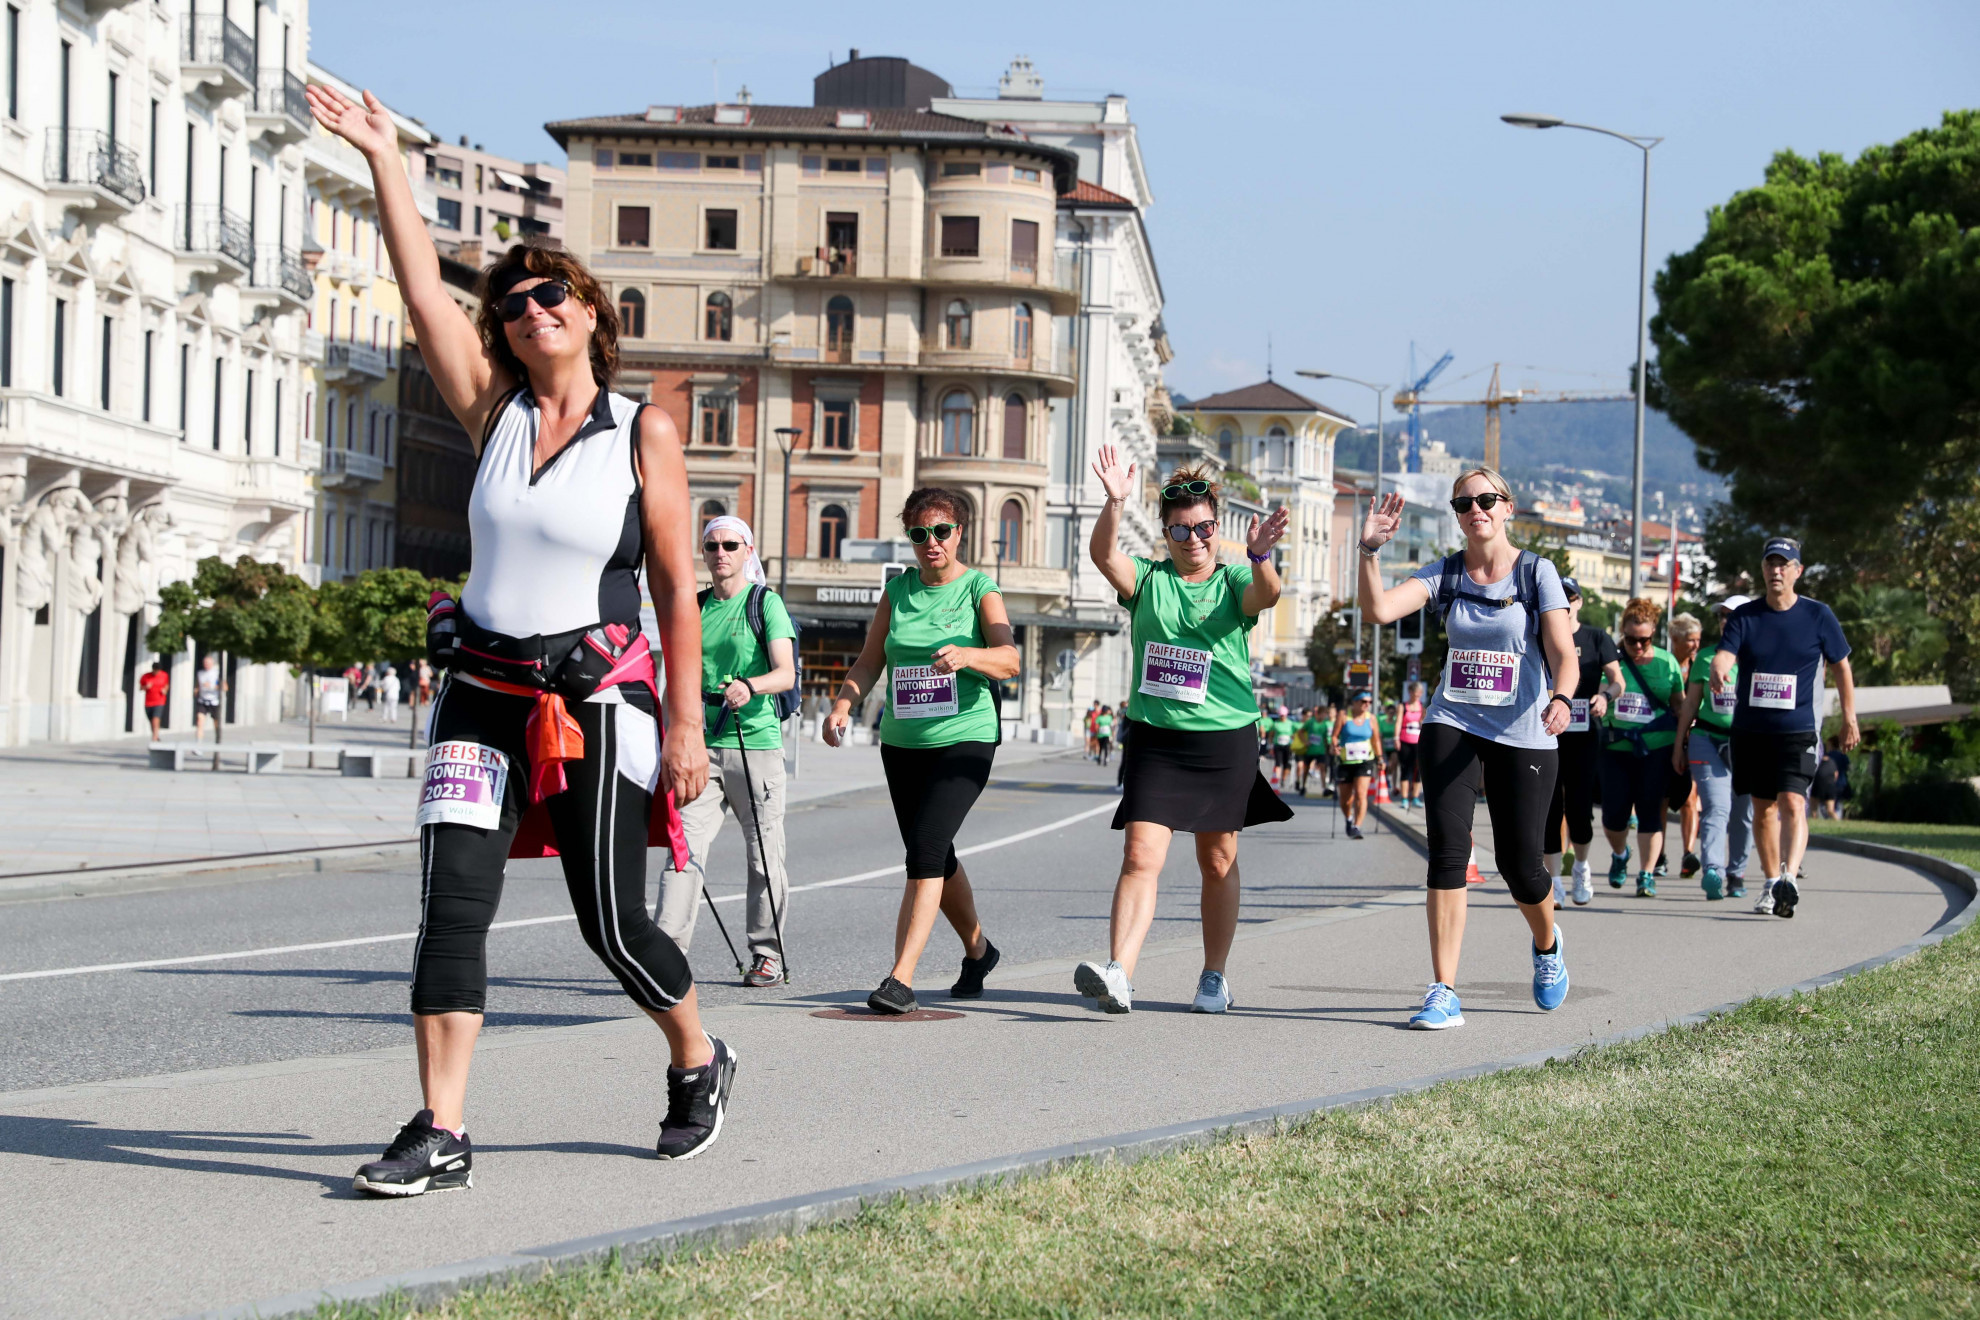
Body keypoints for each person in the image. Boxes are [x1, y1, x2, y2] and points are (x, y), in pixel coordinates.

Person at [307, 82, 733, 1193]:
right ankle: (440, 1129)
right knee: (451, 909)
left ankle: (696, 1057)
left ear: (593, 312)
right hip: (479, 693)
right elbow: (416, 290)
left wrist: (684, 729)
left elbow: (680, 592)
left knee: (609, 919)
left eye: (553, 296)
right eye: (513, 302)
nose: (530, 310)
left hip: (595, 698)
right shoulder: (490, 414)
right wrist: (385, 161)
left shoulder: (644, 431)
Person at [1357, 469, 1577, 1031]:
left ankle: (1548, 946)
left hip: (1525, 729)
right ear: (1457, 513)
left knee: (1520, 866)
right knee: (1448, 852)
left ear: (1507, 506)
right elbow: (1380, 611)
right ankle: (1443, 990)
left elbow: (1563, 651)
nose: (1475, 509)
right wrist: (1369, 552)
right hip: (1452, 719)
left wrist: (1563, 698)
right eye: (1464, 502)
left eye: (1485, 500)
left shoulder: (1536, 573)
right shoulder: (1446, 573)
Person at [1074, 450, 1292, 1015]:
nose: (1193, 538)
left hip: (1225, 739)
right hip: (1157, 737)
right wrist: (1116, 502)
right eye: (1180, 529)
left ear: (1216, 528)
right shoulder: (1148, 580)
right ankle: (1119, 972)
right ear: (1166, 533)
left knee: (1217, 859)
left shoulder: (1234, 578)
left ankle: (1214, 975)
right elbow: (1102, 555)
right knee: (1140, 853)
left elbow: (1265, 595)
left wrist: (1262, 553)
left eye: (1203, 528)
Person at [823, 487, 1017, 1014]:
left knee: (925, 852)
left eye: (941, 532)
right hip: (903, 743)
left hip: (966, 739)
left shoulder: (980, 588)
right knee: (936, 854)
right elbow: (869, 661)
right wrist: (843, 705)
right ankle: (978, 951)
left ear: (960, 533)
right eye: (919, 533)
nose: (931, 543)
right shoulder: (898, 590)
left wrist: (971, 656)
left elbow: (1009, 659)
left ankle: (900, 979)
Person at [657, 516, 797, 988]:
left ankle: (767, 955)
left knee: (763, 856)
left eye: (730, 545)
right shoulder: (693, 608)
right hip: (702, 744)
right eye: (712, 545)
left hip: (754, 743)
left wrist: (750, 685)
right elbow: (674, 679)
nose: (721, 553)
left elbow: (786, 674)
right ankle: (666, 953)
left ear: (747, 550)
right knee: (684, 851)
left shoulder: (765, 603)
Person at [1712, 538, 1858, 918]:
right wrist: (1719, 667)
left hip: (1798, 730)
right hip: (1751, 731)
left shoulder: (1818, 615)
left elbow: (1841, 666)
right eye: (1770, 564)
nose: (1776, 570)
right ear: (1762, 570)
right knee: (1762, 810)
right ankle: (1769, 882)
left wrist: (1849, 717)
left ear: (1798, 571)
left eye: (1784, 564)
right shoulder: (1746, 616)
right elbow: (1726, 652)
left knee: (1793, 801)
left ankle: (1788, 878)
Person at [1596, 598, 1687, 897]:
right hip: (1616, 748)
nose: (1637, 646)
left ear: (1654, 634)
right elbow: (1599, 694)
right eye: (1631, 639)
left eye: (1644, 640)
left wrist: (1683, 742)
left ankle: (1646, 874)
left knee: (1650, 811)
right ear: (1622, 632)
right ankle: (1620, 854)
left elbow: (1678, 705)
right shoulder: (1612, 662)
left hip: (1657, 748)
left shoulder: (1667, 662)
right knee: (1613, 816)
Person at [1543, 579, 1622, 907]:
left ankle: (1581, 867)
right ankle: (1553, 881)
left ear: (1579, 601)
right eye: (1558, 597)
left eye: (1570, 597)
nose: (1565, 603)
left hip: (1584, 732)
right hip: (1547, 731)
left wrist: (1605, 696)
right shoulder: (1541, 632)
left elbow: (1618, 680)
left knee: (1578, 807)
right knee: (1548, 808)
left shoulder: (1596, 637)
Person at [1673, 595, 1755, 900]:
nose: (1725, 621)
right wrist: (1680, 744)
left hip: (1747, 743)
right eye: (1722, 616)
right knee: (1716, 807)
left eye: (1732, 615)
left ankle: (1737, 872)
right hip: (1707, 738)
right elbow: (1691, 703)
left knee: (1743, 813)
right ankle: (1713, 870)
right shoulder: (1706, 658)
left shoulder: (1756, 656)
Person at [1668, 612, 1704, 878]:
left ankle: (1688, 854)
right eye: (1690, 640)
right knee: (1662, 796)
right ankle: (1657, 856)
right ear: (1675, 640)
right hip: (1663, 735)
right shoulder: (1664, 663)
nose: (1695, 645)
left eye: (1698, 640)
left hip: (1693, 737)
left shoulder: (1699, 666)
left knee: (1690, 798)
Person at [1332, 691, 1382, 839]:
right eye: (1363, 701)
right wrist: (1334, 746)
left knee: (1361, 794)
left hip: (1365, 761)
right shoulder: (1343, 716)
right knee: (1345, 800)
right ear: (1354, 702)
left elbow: (1376, 740)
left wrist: (1380, 758)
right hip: (1346, 761)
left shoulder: (1371, 718)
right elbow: (1334, 736)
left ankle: (1357, 826)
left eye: (1369, 702)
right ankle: (1349, 818)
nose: (1367, 704)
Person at [1396, 683, 1426, 809]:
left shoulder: (1422, 707)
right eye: (1415, 692)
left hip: (1417, 741)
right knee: (1405, 769)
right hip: (1405, 740)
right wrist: (1396, 738)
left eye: (1419, 692)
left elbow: (1424, 723)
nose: (1417, 695)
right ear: (1410, 692)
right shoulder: (1403, 706)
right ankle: (1404, 798)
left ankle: (1415, 797)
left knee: (1418, 770)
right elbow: (1398, 722)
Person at [1812, 738, 1849, 820]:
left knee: (1819, 806)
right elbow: (1847, 767)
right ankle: (1838, 819)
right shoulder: (1842, 755)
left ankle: (1822, 819)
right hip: (1840, 783)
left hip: (1826, 782)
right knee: (1836, 806)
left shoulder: (1828, 756)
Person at [194, 654, 224, 741]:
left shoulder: (217, 673)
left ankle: (217, 740)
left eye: (208, 663)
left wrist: (211, 686)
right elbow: (198, 685)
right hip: (202, 700)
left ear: (212, 663)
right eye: (205, 663)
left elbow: (225, 687)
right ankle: (198, 745)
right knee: (200, 721)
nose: (206, 664)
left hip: (214, 701)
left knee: (216, 723)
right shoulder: (200, 673)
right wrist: (196, 690)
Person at [138, 661, 170, 741]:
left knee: (156, 719)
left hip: (159, 701)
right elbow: (140, 688)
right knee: (152, 721)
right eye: (155, 670)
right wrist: (146, 687)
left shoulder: (164, 675)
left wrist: (165, 690)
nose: (156, 672)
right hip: (148, 703)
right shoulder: (146, 676)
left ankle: (154, 738)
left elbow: (166, 685)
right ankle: (156, 735)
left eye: (158, 670)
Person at [1267, 704, 1295, 788]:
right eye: (1281, 715)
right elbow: (1271, 735)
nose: (1282, 717)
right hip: (1278, 745)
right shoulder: (1276, 724)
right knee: (1278, 763)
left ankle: (1283, 779)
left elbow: (1293, 735)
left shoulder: (1290, 723)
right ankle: (1277, 779)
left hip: (1288, 746)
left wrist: (1294, 743)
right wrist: (1270, 746)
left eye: (1283, 715)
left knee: (1286, 764)